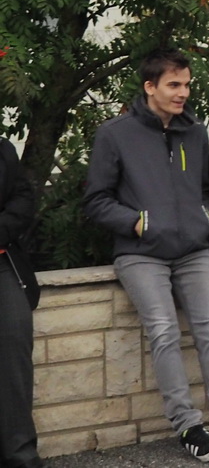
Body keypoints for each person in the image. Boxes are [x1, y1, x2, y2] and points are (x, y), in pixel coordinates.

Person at [84, 50, 209, 462]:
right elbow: (97, 201)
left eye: (187, 84)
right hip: (141, 255)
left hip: (192, 251)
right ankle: (189, 427)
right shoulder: (114, 133)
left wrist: (205, 219)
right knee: (164, 332)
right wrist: (140, 223)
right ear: (150, 87)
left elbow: (208, 190)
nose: (183, 93)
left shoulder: (195, 132)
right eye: (174, 85)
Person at [1, 140, 42, 468]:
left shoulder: (2, 149)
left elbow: (23, 197)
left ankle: (20, 456)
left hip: (2, 262)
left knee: (14, 338)